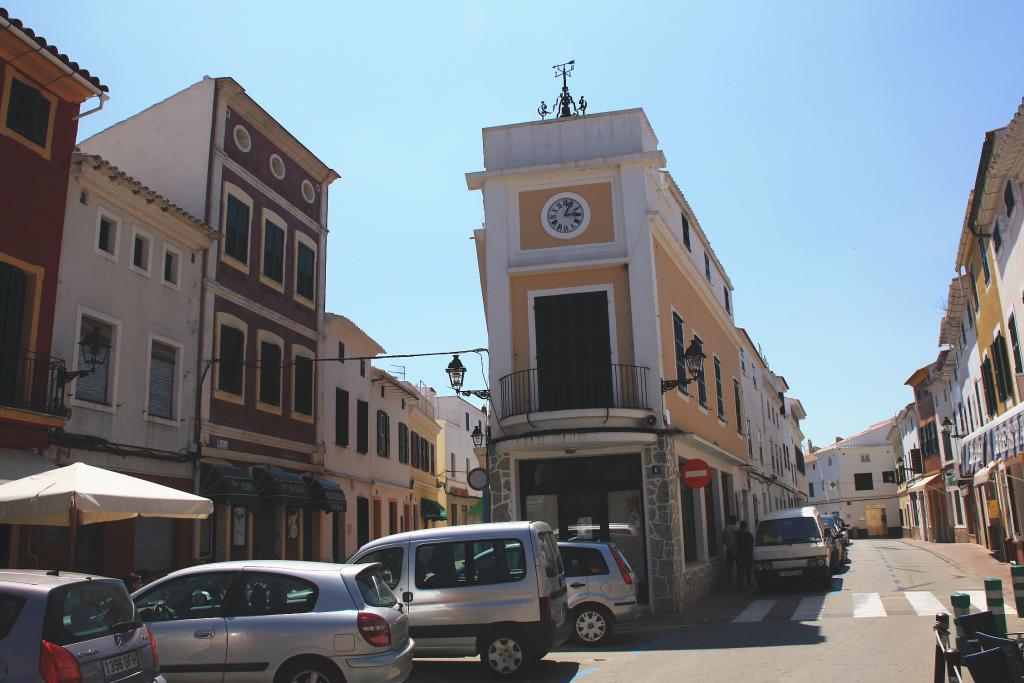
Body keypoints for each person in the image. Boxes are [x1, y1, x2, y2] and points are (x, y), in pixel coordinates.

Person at [736, 521, 755, 589]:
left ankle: (740, 583)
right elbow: (751, 544)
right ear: (746, 526)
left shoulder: (737, 534)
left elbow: (736, 544)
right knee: (748, 569)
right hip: (747, 554)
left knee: (740, 569)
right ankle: (748, 583)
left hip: (739, 554)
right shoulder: (748, 534)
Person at [722, 514, 739, 586]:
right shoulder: (737, 528)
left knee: (729, 566)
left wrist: (727, 544)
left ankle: (729, 578)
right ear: (735, 520)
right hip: (737, 549)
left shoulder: (726, 528)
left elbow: (723, 539)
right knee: (739, 565)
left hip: (729, 549)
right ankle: (739, 579)